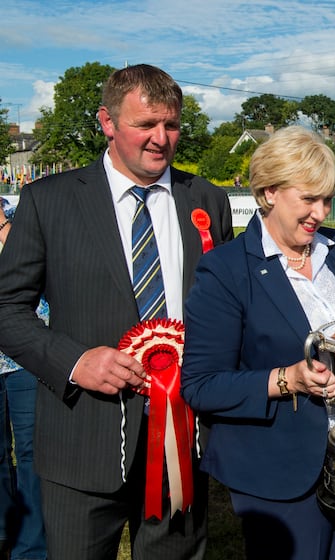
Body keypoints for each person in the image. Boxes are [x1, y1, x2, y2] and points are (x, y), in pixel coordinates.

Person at [0, 64, 233, 560]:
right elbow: (5, 309)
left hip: (182, 444)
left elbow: (228, 309)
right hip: (81, 440)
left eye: (170, 125)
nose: (160, 139)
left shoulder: (207, 200)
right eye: (144, 125)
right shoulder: (49, 201)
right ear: (107, 121)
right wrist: (73, 361)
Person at [180, 126, 335, 560]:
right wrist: (287, 379)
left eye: (327, 199)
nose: (320, 212)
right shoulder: (226, 270)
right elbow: (201, 384)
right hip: (279, 472)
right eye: (308, 198)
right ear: (269, 191)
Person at [0, 209, 47, 560]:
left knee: (32, 452)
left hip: (24, 353)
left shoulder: (19, 217)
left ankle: (31, 548)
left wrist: (3, 226)